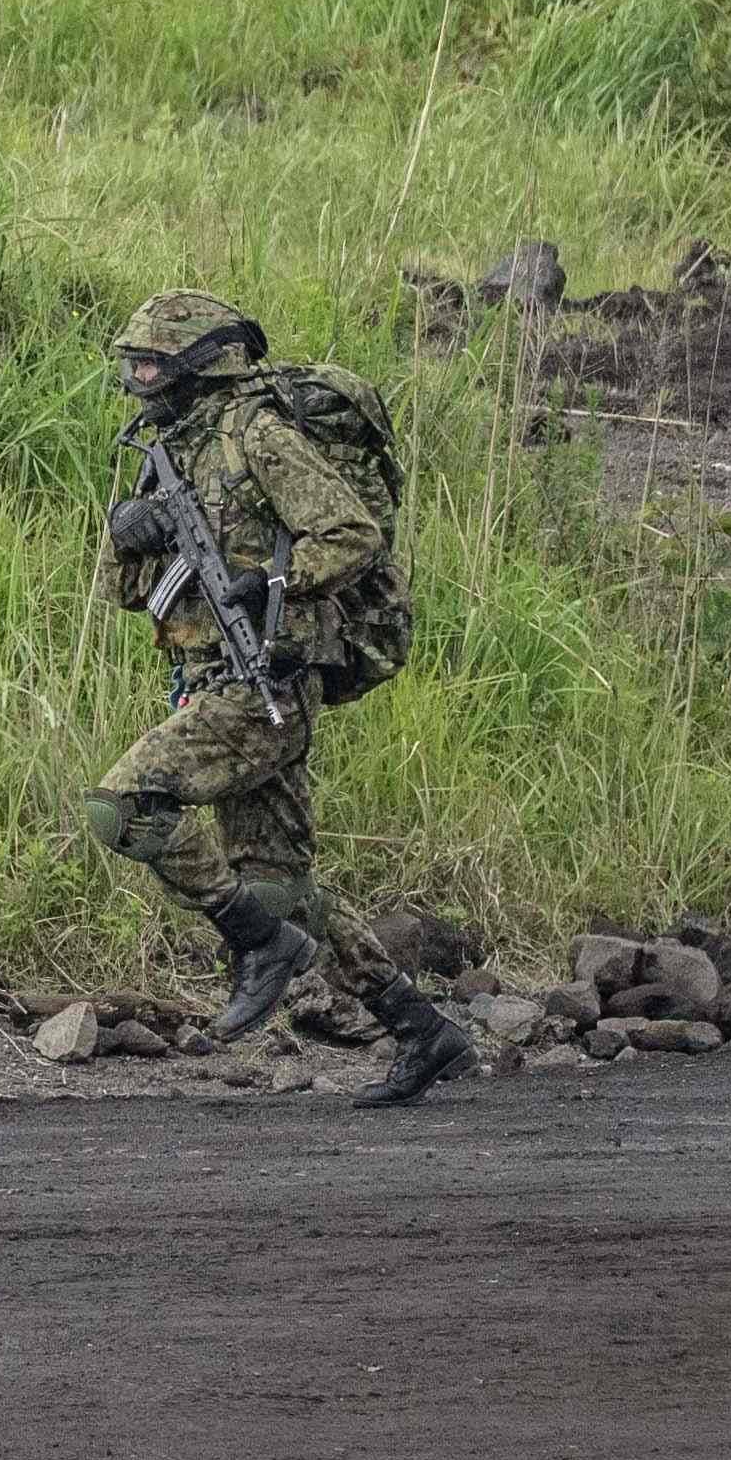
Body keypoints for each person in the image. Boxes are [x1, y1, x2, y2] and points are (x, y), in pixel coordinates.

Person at [85, 292, 477, 1106]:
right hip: (211, 678)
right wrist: (128, 537)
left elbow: (352, 534)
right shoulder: (171, 448)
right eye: (134, 362)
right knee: (283, 894)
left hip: (270, 678)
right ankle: (419, 1028)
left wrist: (270, 580)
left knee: (122, 808)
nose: (138, 377)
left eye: (152, 362)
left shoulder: (256, 435)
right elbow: (130, 593)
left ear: (196, 363)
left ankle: (259, 948)